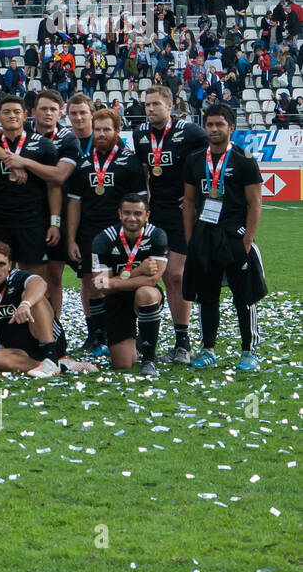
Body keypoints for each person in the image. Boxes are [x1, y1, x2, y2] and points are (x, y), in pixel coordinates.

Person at [181, 103, 267, 371]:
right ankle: (208, 350)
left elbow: (255, 203)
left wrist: (247, 240)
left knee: (244, 296)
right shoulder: (195, 159)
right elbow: (190, 201)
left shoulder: (244, 160)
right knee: (207, 296)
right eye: (210, 124)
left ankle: (248, 351)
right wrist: (190, 239)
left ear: (231, 128)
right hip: (205, 235)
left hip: (234, 234)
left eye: (219, 124)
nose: (214, 129)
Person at [131, 85, 207, 363]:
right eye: (147, 105)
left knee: (176, 275)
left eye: (155, 105)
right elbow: (142, 171)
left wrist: (194, 200)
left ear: (170, 104)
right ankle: (144, 336)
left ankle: (182, 341)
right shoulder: (140, 134)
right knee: (148, 275)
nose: (150, 110)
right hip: (152, 213)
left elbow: (207, 165)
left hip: (180, 212)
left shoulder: (191, 133)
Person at [65, 106, 149, 356]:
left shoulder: (129, 160)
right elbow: (74, 203)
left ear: (117, 131)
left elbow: (141, 202)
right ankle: (96, 334)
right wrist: (70, 238)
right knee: (92, 282)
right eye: (98, 129)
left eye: (106, 130)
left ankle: (133, 331)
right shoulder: (83, 162)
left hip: (121, 234)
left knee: (127, 280)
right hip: (89, 232)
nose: (101, 134)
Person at [0, 94, 62, 279]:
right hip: (0, 221)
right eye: (6, 112)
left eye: (16, 112)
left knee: (35, 280)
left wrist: (55, 223)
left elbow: (53, 187)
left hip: (33, 221)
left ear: (25, 116)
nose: (11, 116)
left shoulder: (43, 145)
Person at [0, 241, 85, 378]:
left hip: (47, 340)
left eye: (1, 264)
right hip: (19, 349)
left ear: (9, 265)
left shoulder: (17, 277)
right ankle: (58, 366)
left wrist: (25, 304)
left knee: (33, 296)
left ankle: (51, 357)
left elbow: (39, 283)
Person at [89, 193, 168, 375]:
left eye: (138, 213)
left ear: (147, 215)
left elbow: (152, 280)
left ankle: (149, 359)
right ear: (119, 214)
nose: (132, 218)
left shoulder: (157, 236)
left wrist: (114, 281)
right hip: (116, 300)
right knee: (123, 364)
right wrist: (137, 271)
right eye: (127, 213)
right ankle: (137, 340)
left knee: (146, 293)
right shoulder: (104, 239)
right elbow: (101, 285)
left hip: (143, 295)